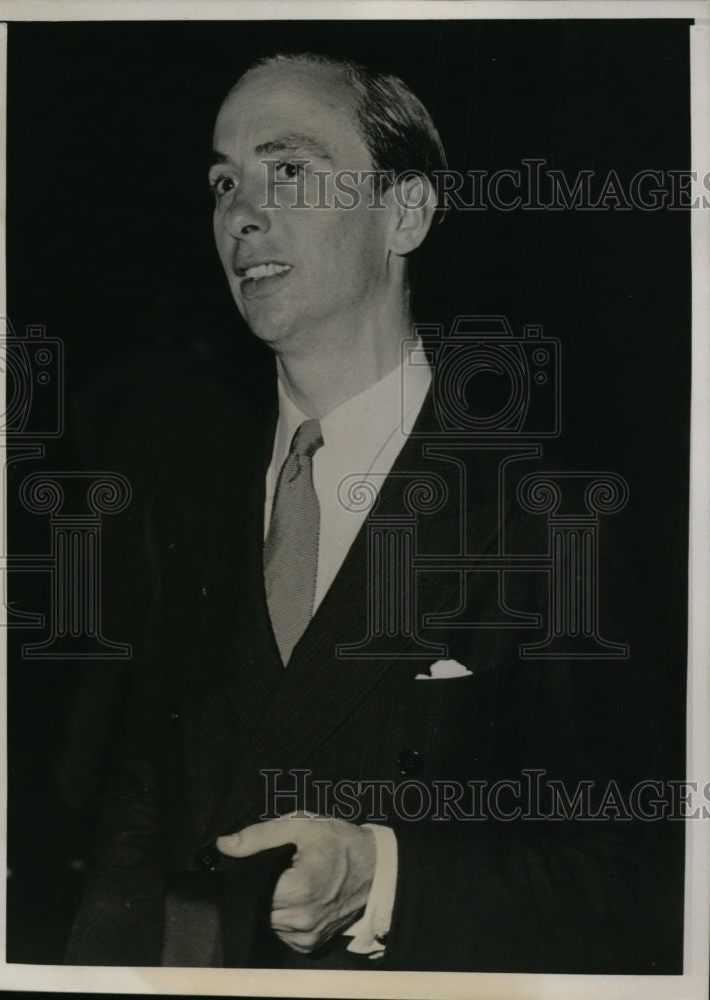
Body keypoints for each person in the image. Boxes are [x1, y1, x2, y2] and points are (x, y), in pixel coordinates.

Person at [66, 52, 684, 972]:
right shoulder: (184, 512)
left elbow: (644, 880)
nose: (241, 211)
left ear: (406, 211)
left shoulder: (549, 521)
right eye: (222, 181)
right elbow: (140, 818)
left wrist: (384, 876)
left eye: (290, 171)